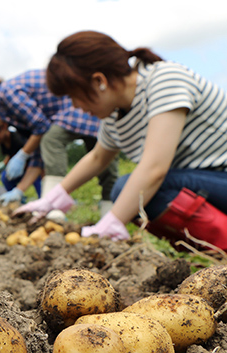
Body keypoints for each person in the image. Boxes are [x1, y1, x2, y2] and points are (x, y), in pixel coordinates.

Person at [14, 30, 227, 250]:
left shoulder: (164, 80)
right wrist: (50, 199)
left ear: (99, 81)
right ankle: (209, 250)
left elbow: (155, 168)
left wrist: (111, 224)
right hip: (207, 183)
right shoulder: (116, 118)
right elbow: (97, 158)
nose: (76, 106)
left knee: (135, 189)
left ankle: (221, 245)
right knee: (128, 191)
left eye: (74, 96)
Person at [0, 72, 118, 213]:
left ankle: (56, 208)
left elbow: (42, 127)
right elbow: (39, 150)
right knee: (101, 155)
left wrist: (23, 153)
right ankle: (105, 214)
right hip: (71, 112)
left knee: (100, 155)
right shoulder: (11, 116)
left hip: (78, 104)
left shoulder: (7, 94)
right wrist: (20, 190)